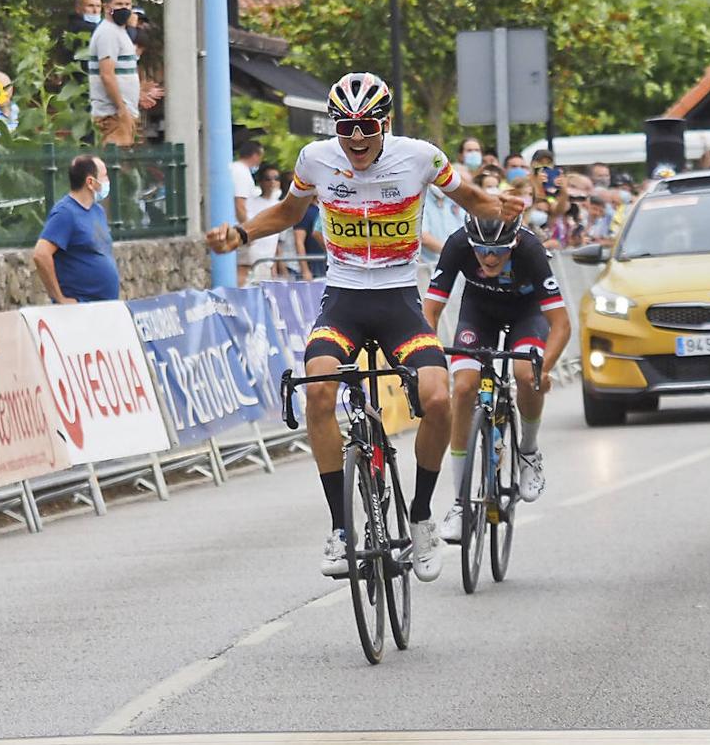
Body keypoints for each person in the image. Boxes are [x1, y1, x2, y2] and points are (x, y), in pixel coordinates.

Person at [206, 72, 523, 581]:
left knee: (439, 399)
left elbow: (472, 201)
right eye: (346, 126)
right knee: (319, 392)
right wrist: (241, 234)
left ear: (386, 123)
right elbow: (289, 211)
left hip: (399, 300)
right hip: (344, 300)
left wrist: (503, 208)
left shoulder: (420, 156)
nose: (355, 138)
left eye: (367, 126)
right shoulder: (316, 159)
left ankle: (420, 518)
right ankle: (339, 528)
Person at [423, 216, 571, 540]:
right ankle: (461, 503)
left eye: (500, 251)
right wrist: (427, 362)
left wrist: (543, 370)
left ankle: (528, 452)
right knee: (462, 389)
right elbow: (430, 312)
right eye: (482, 250)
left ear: (514, 242)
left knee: (524, 373)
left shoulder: (531, 250)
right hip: (478, 313)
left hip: (526, 314)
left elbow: (561, 324)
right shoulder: (457, 244)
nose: (490, 258)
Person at [31, 155, 119, 303]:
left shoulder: (98, 211)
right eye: (104, 176)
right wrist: (59, 298)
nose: (107, 181)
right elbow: (41, 254)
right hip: (80, 309)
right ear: (90, 182)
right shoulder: (65, 213)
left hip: (104, 307)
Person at [89, 0, 141, 147]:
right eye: (118, 4)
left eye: (127, 5)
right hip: (113, 116)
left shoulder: (120, 31)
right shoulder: (108, 33)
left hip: (123, 113)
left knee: (123, 166)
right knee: (116, 166)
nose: (124, 9)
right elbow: (107, 74)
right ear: (107, 7)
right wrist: (122, 109)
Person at [237, 166, 282, 285]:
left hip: (268, 260)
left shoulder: (280, 206)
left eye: (276, 178)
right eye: (268, 179)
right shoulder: (251, 203)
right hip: (251, 256)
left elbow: (277, 239)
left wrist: (275, 267)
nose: (272, 182)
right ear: (261, 182)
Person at [230, 140, 263, 225]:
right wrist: (246, 229)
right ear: (255, 156)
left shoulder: (234, 167)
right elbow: (240, 204)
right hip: (237, 225)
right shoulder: (241, 172)